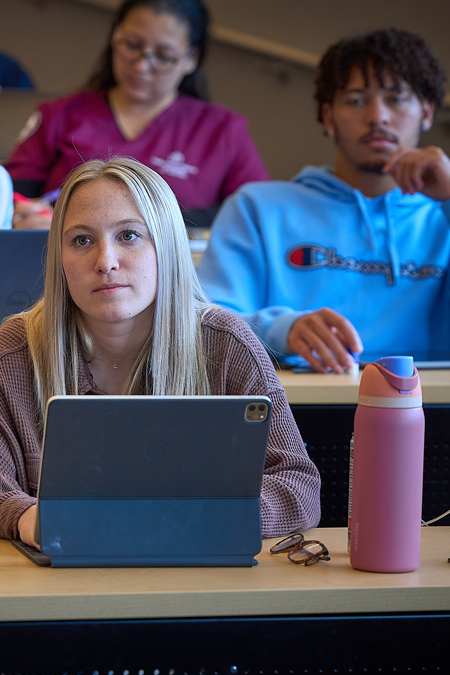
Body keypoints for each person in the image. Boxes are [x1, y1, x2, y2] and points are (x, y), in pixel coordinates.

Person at [0, 157, 320, 549]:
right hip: (59, 582)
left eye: (129, 235)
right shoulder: (14, 350)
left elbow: (298, 484)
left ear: (165, 244)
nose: (106, 262)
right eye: (82, 240)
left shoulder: (225, 342)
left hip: (197, 579)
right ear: (59, 258)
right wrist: (32, 519)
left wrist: (192, 520)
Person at [198, 28, 450, 373]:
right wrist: (283, 331)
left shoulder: (443, 217)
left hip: (433, 408)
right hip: (294, 411)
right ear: (329, 116)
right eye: (357, 100)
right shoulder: (258, 207)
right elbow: (206, 323)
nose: (378, 116)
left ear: (426, 112)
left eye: (397, 98)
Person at [5, 0, 269, 230]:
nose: (142, 65)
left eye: (163, 56)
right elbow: (13, 194)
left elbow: (257, 211)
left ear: (191, 58)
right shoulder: (59, 115)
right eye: (132, 45)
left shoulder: (222, 129)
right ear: (114, 38)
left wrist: (153, 224)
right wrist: (24, 215)